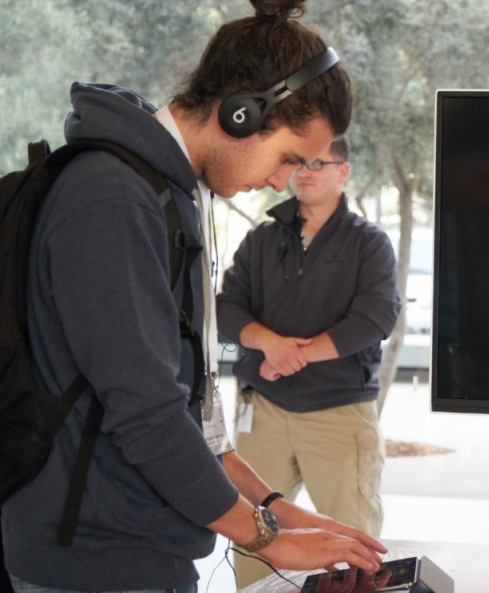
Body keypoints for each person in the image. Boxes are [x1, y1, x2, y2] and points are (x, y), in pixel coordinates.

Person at [1, 2, 388, 592]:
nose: (281, 182)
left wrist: (280, 510)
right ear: (240, 113)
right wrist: (268, 540)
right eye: (288, 157)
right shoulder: (112, 198)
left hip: (140, 553)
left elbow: (192, 414)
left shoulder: (171, 191)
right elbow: (148, 413)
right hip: (92, 566)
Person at [216, 137, 401, 583]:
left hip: (338, 412)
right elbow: (226, 309)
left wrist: (293, 356)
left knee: (351, 544)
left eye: (318, 163)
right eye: (298, 162)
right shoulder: (262, 238)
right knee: (255, 537)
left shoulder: (368, 242)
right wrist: (270, 345)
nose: (305, 172)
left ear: (343, 172)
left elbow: (374, 318)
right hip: (264, 409)